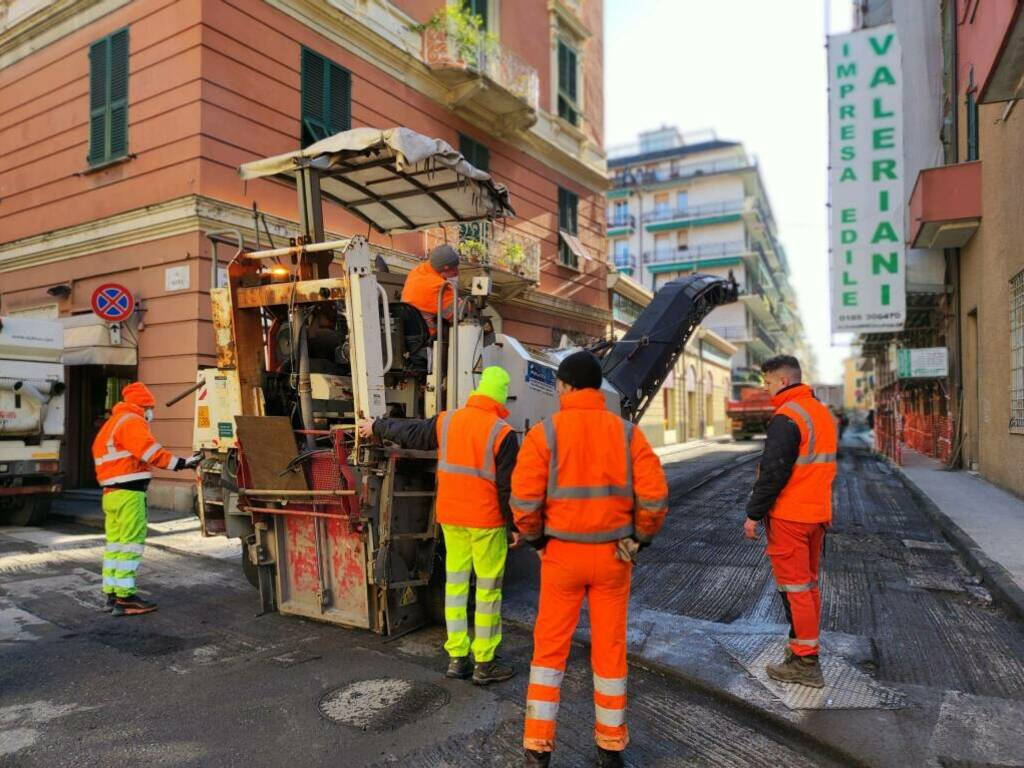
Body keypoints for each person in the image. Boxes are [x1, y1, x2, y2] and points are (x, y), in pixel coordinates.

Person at [511, 351, 668, 768]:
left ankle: (537, 752)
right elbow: (654, 498)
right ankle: (610, 749)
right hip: (615, 556)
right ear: (599, 388)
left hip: (562, 555)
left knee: (549, 653)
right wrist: (639, 539)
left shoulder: (545, 434)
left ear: (563, 386)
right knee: (610, 651)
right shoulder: (628, 434)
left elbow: (523, 500)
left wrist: (536, 540)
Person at [356, 366, 519, 685]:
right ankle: (484, 662)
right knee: (487, 591)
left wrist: (375, 426)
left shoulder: (448, 421)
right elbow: (507, 489)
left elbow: (410, 432)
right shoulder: (503, 433)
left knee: (456, 587)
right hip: (486, 522)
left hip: (452, 518)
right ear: (501, 395)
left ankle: (457, 658)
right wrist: (515, 526)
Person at [743, 355, 838, 688]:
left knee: (795, 590)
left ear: (782, 381)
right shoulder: (820, 413)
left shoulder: (787, 417)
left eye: (768, 382)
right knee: (807, 587)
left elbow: (774, 473)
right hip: (816, 515)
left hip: (790, 517)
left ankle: (805, 664)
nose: (766, 389)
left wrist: (754, 513)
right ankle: (802, 649)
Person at [92, 382, 198, 616]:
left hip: (111, 495)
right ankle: (125, 598)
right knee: (131, 544)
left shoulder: (112, 424)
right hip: (129, 494)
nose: (152, 412)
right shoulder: (132, 421)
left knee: (116, 545)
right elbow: (150, 452)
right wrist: (183, 463)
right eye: (150, 407)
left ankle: (112, 593)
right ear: (143, 405)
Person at [402, 244, 460, 336]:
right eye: (454, 269)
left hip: (411, 335)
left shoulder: (416, 272)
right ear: (445, 268)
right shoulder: (439, 286)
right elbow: (459, 313)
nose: (457, 272)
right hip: (431, 338)